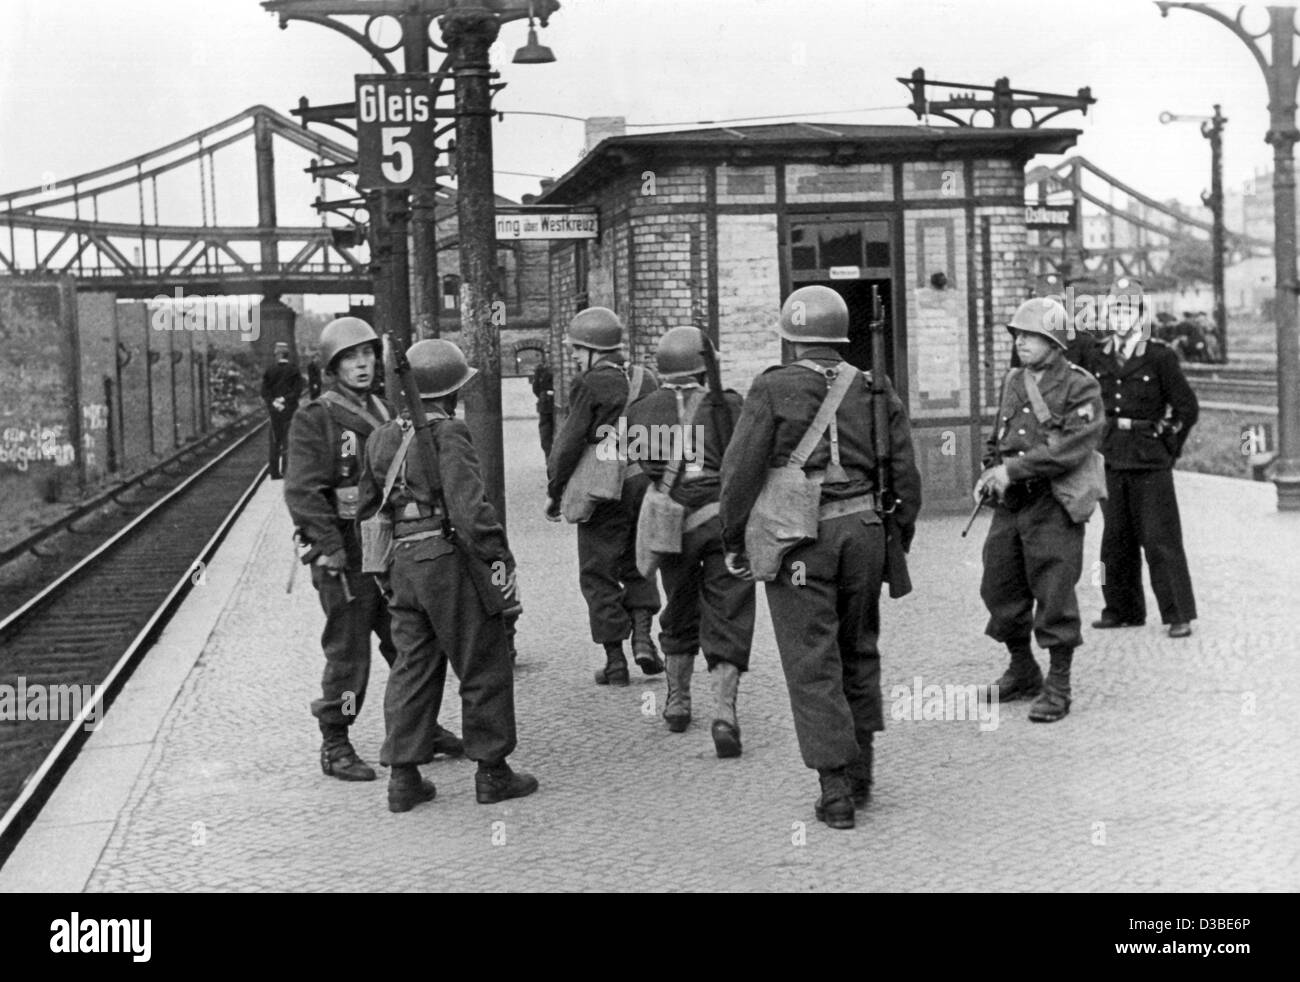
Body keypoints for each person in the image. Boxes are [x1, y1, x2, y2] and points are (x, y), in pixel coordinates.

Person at [719, 286, 921, 830]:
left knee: (813, 663)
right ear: (840, 338)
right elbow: (905, 477)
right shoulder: (876, 387)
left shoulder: (772, 387)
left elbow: (739, 475)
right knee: (859, 649)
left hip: (798, 539)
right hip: (864, 533)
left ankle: (836, 792)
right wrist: (895, 540)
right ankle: (863, 773)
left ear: (790, 338)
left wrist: (734, 538)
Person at [358, 339, 537, 812]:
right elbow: (471, 513)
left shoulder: (379, 438)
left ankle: (403, 776)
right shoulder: (450, 433)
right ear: (451, 392)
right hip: (447, 562)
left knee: (412, 669)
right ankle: (492, 773)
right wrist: (499, 560)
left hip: (403, 567)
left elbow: (365, 510)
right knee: (483, 662)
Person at [284, 317, 460, 783]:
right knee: (349, 652)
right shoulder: (316, 417)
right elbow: (302, 491)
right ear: (332, 366)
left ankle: (418, 728)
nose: (361, 365)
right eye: (349, 358)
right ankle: (335, 742)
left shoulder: (384, 408)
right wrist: (326, 547)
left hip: (385, 549)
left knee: (412, 644)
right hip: (343, 552)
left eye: (366, 355)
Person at [976, 297, 1105, 724]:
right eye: (1018, 336)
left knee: (1054, 592)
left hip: (1053, 502)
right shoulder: (1013, 380)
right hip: (1011, 503)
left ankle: (1059, 684)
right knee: (1000, 586)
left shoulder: (1080, 386)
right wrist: (990, 468)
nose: (1022, 344)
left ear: (1055, 341)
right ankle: (1022, 668)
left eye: (1031, 336)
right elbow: (1000, 433)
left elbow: (1070, 448)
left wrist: (1011, 469)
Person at [627, 326, 753, 757]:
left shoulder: (642, 410)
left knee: (678, 605)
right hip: (722, 521)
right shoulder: (730, 403)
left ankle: (678, 702)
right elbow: (745, 457)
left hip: (673, 525)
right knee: (730, 612)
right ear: (705, 367)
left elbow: (642, 462)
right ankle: (724, 713)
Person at [545, 307, 663, 686]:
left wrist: (555, 489)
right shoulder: (647, 379)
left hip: (603, 487)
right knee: (639, 561)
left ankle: (615, 662)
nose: (576, 358)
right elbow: (663, 437)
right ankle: (644, 639)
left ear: (595, 350)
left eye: (578, 350)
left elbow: (567, 443)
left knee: (598, 572)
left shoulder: (590, 383)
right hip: (643, 481)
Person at [1085, 277, 1199, 638]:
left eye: (1127, 310)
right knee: (1114, 539)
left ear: (1139, 315)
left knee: (1160, 538)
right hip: (1111, 455)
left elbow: (1186, 408)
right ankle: (1121, 609)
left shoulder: (1159, 355)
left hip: (1149, 458)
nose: (1120, 316)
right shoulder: (1097, 354)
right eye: (1114, 309)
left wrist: (1168, 447)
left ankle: (1178, 614)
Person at [261, 342, 303, 480]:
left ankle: (274, 472)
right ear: (287, 355)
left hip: (274, 412)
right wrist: (284, 399)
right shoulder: (294, 370)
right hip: (290, 411)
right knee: (288, 440)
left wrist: (274, 402)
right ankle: (286, 470)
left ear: (277, 355)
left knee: (274, 441)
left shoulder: (270, 370)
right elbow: (298, 391)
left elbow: (264, 391)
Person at [530, 356, 556, 460]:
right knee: (545, 436)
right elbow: (536, 388)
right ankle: (549, 458)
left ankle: (550, 458)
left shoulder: (542, 370)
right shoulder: (540, 370)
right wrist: (544, 395)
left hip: (547, 405)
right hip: (545, 406)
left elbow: (536, 388)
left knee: (547, 435)